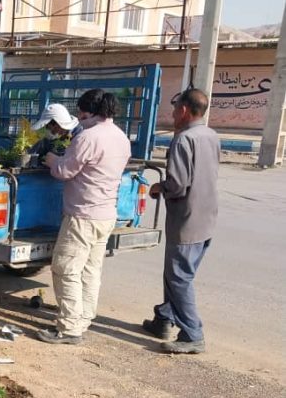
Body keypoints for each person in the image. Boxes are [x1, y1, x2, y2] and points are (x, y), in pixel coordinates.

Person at [36, 89, 131, 345]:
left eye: (81, 111)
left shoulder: (88, 137)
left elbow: (65, 171)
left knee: (65, 268)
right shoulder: (121, 137)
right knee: (90, 269)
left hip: (83, 215)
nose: (79, 116)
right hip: (106, 214)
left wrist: (53, 160)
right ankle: (84, 318)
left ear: (90, 112)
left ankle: (68, 329)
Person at [142, 88, 218, 354]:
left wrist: (157, 188)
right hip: (206, 218)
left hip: (187, 220)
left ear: (184, 111)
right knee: (176, 274)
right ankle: (164, 318)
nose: (172, 115)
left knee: (179, 278)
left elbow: (177, 185)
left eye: (175, 110)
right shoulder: (210, 135)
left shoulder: (183, 140)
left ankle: (192, 334)